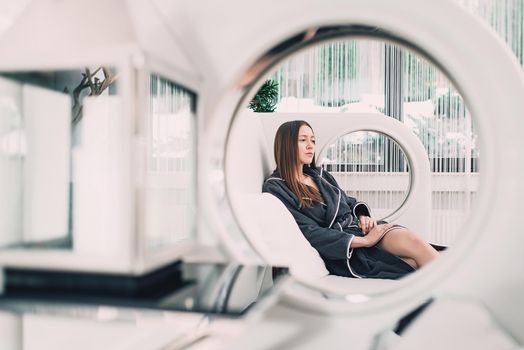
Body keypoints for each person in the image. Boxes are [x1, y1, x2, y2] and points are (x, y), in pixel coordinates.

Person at [262, 120, 439, 279]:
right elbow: (307, 231)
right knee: (413, 264)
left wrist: (363, 216)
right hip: (344, 248)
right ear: (286, 144)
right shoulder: (276, 187)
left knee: (414, 241)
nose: (310, 146)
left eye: (313, 140)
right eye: (303, 140)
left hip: (359, 228)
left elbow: (347, 201)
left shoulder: (320, 175)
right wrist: (365, 241)